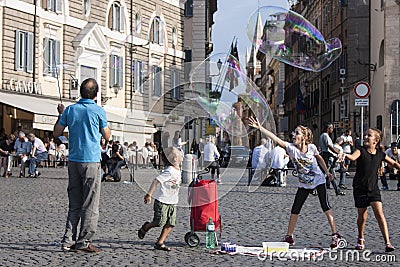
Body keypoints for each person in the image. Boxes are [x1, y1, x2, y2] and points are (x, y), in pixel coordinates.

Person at [249, 117, 342, 250]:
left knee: (325, 206)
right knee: (295, 209)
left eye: (297, 133)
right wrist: (260, 128)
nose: (293, 135)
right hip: (304, 183)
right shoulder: (291, 148)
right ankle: (289, 236)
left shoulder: (312, 147)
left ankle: (335, 235)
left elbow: (319, 158)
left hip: (318, 180)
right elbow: (276, 139)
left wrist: (327, 172)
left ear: (303, 137)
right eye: (294, 132)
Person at [54, 78, 111, 253]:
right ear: (96, 94)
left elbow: (57, 132)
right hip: (91, 161)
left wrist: (61, 114)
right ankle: (84, 242)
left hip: (74, 161)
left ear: (80, 92)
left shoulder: (70, 110)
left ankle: (68, 240)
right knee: (90, 203)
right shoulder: (98, 110)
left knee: (75, 203)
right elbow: (107, 136)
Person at [339, 128, 400, 252]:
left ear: (376, 141)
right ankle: (360, 238)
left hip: (373, 189)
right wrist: (344, 154)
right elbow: (352, 157)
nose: (366, 137)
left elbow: (393, 163)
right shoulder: (360, 150)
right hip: (360, 188)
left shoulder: (380, 154)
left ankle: (387, 242)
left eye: (369, 135)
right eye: (365, 135)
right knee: (362, 215)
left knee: (379, 213)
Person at [137, 147, 183, 251]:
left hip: (173, 202)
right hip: (162, 201)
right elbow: (156, 181)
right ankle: (146, 227)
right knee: (159, 222)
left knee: (171, 223)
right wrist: (149, 194)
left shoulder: (178, 170)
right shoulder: (170, 171)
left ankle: (160, 242)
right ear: (175, 159)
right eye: (179, 153)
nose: (181, 154)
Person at [319, 123, 345, 195]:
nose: (332, 130)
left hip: (326, 155)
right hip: (327, 156)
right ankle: (314, 188)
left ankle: (337, 190)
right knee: (325, 173)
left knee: (332, 174)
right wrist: (336, 152)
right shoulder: (325, 135)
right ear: (328, 128)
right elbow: (329, 146)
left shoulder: (323, 135)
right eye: (331, 128)